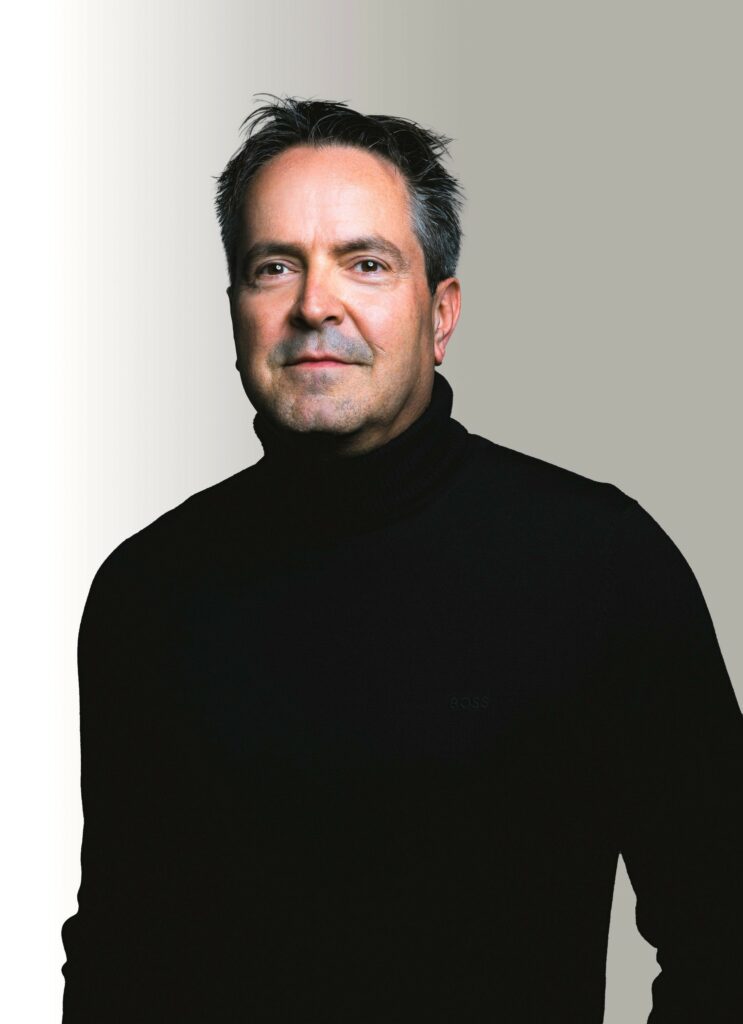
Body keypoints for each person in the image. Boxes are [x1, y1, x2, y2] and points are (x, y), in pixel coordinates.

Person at [61, 96, 743, 1022]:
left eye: (366, 263)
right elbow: (117, 952)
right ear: (235, 313)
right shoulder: (144, 593)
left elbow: (722, 934)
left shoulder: (601, 566)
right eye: (274, 267)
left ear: (440, 314)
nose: (314, 304)